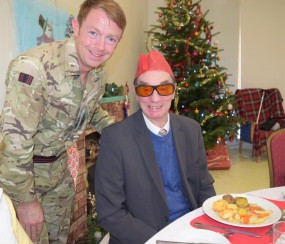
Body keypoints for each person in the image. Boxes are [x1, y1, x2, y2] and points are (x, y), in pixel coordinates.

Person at [0, 0, 126, 243]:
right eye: (93, 33)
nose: (101, 46)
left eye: (111, 39)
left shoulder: (98, 72)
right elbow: (14, 143)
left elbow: (89, 109)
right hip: (26, 178)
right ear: (76, 27)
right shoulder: (34, 69)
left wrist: (126, 133)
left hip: (59, 172)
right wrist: (26, 202)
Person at [95, 50, 216, 244]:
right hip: (143, 238)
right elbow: (110, 212)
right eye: (145, 90)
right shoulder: (115, 139)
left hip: (191, 230)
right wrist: (159, 241)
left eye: (164, 88)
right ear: (136, 92)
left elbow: (204, 186)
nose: (155, 98)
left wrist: (209, 225)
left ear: (174, 90)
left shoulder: (191, 129)